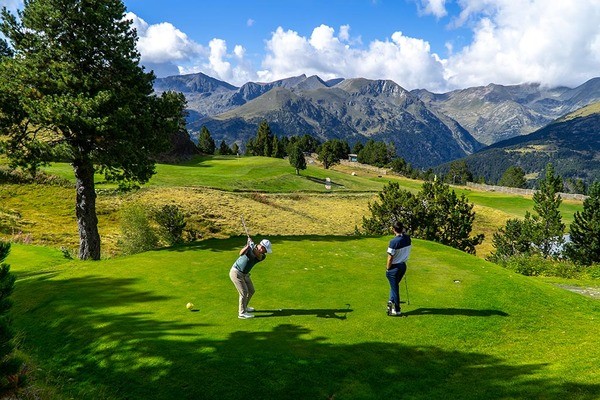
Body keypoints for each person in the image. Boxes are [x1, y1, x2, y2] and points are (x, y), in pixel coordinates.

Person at [229, 236, 272, 319]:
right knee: (244, 292)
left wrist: (252, 247)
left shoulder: (262, 256)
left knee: (251, 290)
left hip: (245, 274)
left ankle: (244, 307)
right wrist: (247, 246)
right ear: (262, 247)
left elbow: (257, 256)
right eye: (265, 250)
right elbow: (241, 253)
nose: (265, 252)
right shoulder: (250, 248)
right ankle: (242, 313)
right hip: (236, 272)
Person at [386, 221, 411, 316]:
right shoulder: (407, 238)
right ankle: (390, 301)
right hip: (403, 266)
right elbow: (404, 234)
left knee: (395, 288)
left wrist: (388, 268)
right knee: (394, 285)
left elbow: (390, 257)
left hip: (394, 268)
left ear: (393, 230)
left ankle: (397, 309)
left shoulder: (393, 242)